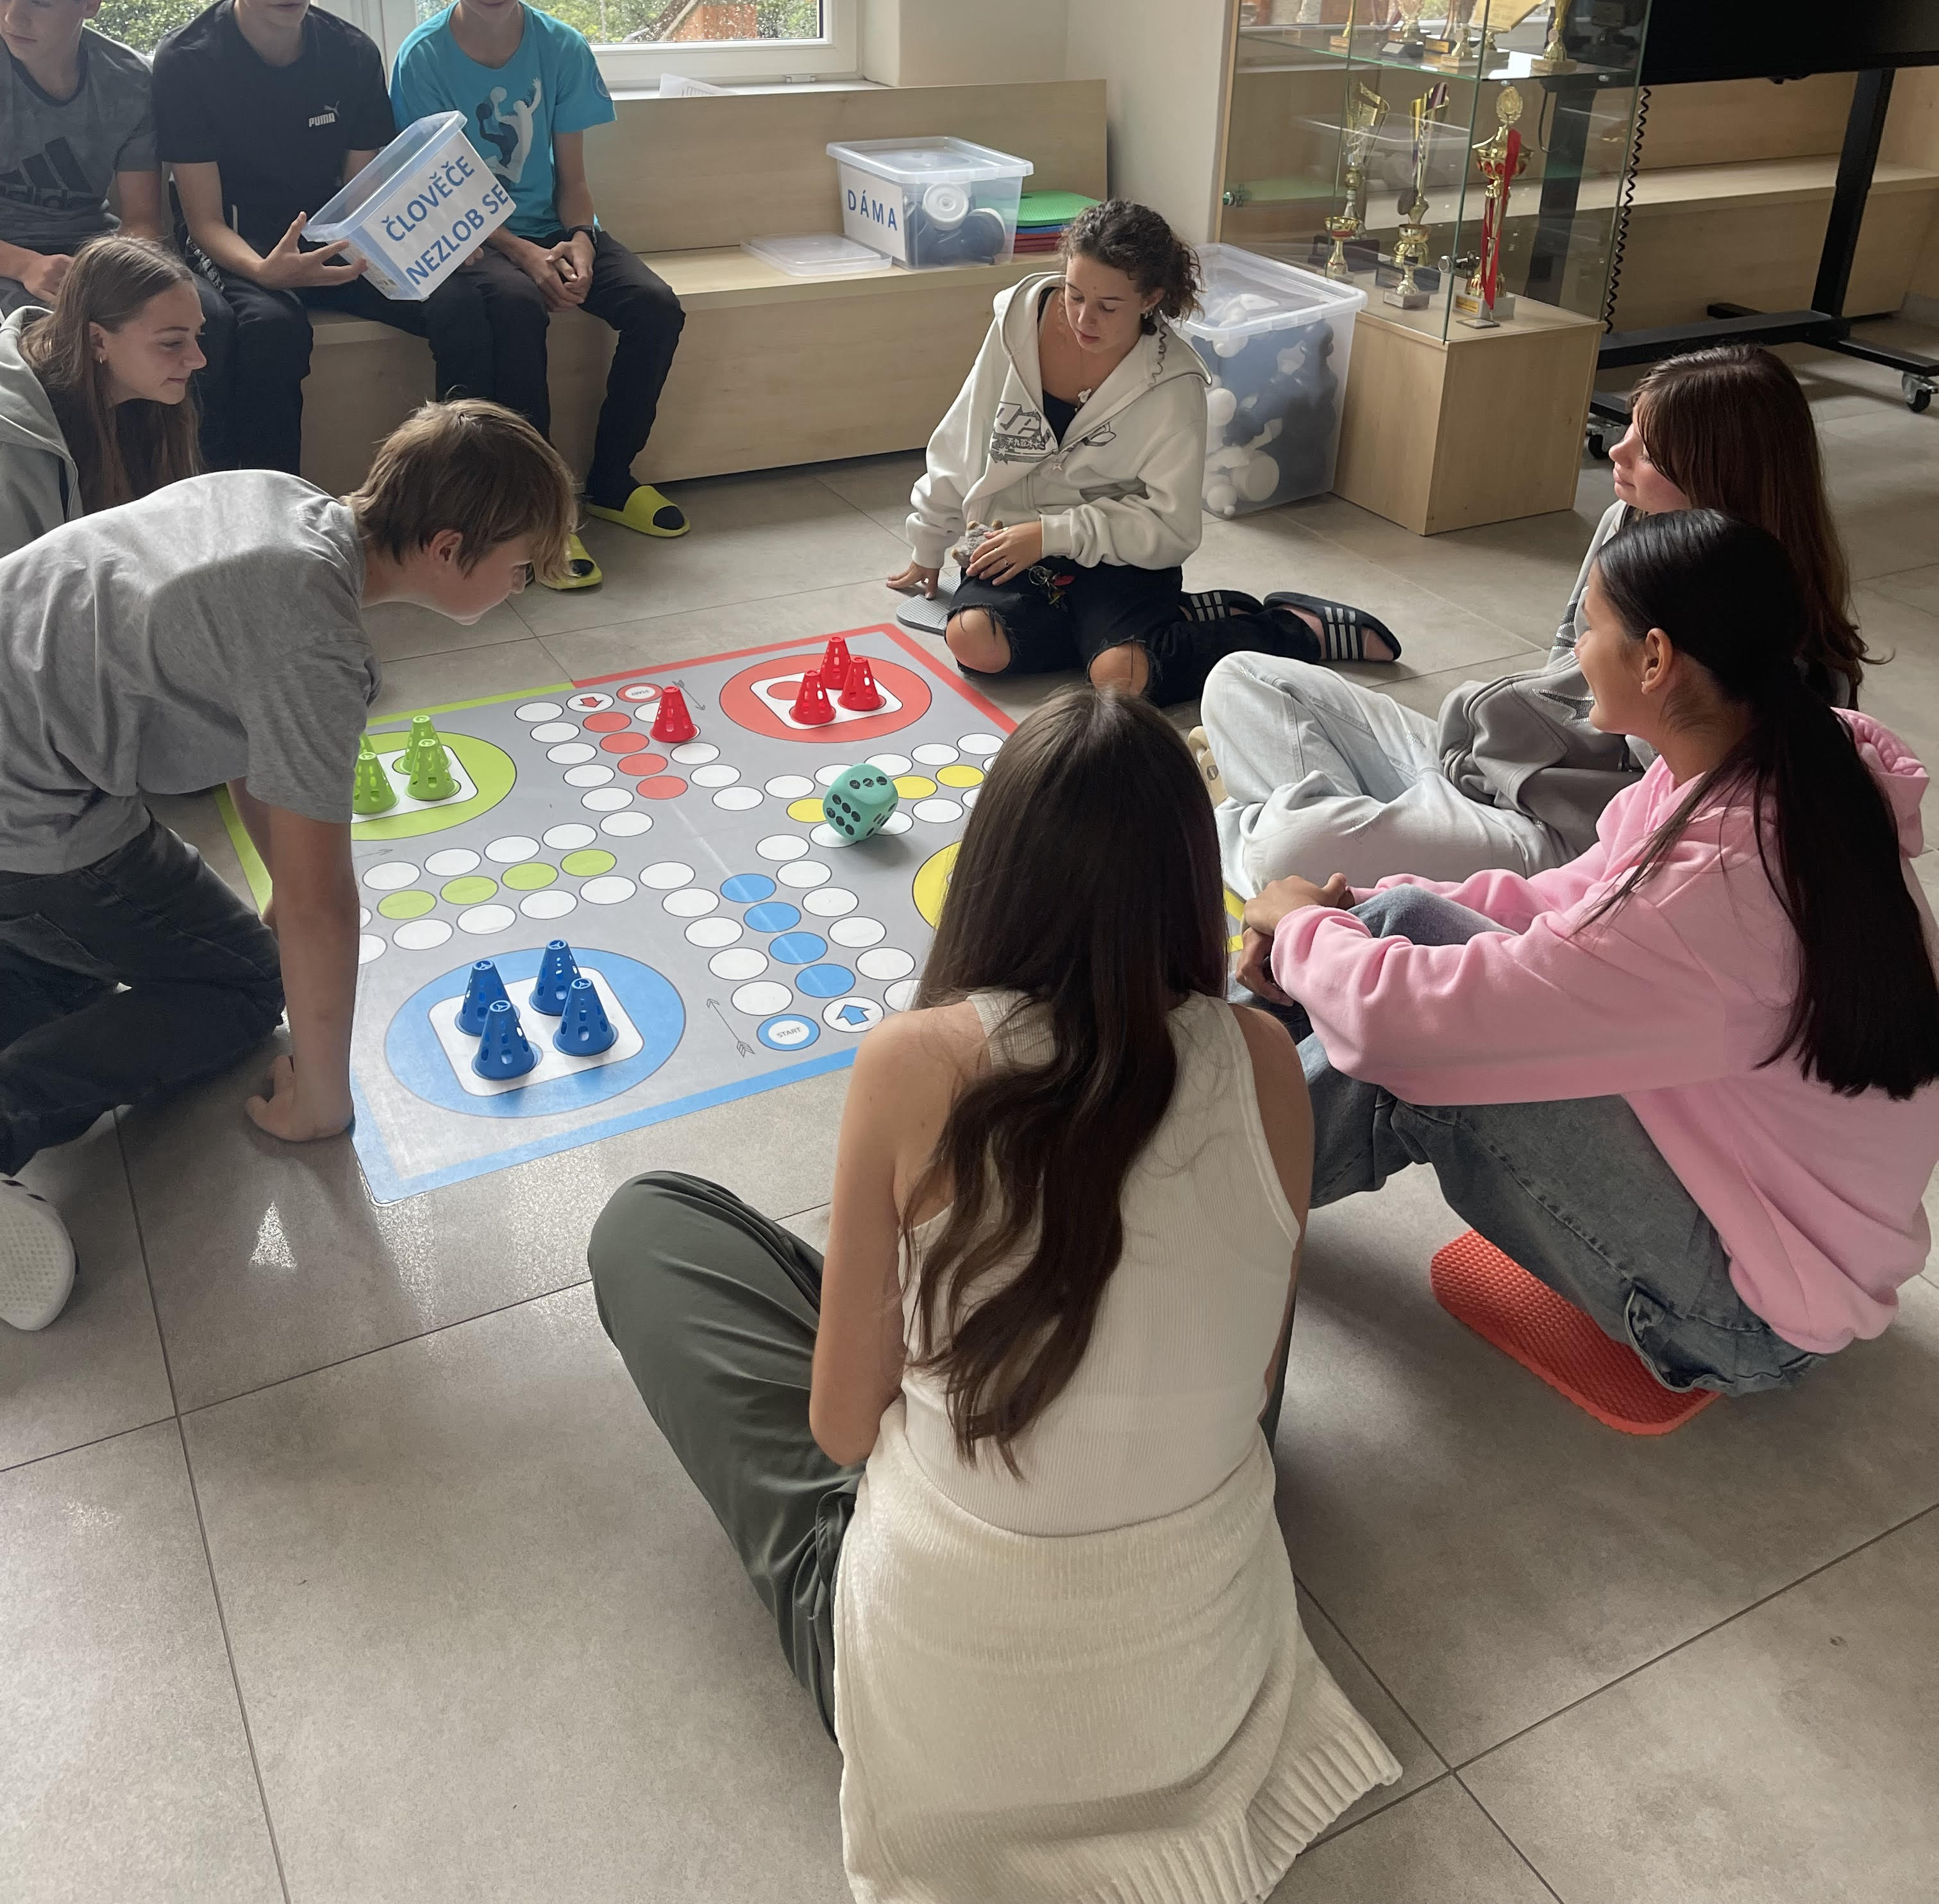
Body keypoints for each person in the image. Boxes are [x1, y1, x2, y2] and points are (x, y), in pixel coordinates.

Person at [588, 689, 1400, 1894]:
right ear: (1191, 882)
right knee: (1169, 1340)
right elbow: (1261, 1379)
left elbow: (841, 1431)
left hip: (954, 1726)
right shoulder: (1270, 1060)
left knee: (648, 1223)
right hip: (1198, 1694)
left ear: (991, 876)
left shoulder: (913, 1062)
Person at [1239, 511, 1939, 1399]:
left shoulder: (1718, 888)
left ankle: (1180, 1188)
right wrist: (1345, 912)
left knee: (1425, 1061)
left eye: (1590, 628)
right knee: (1407, 919)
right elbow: (1561, 904)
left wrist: (1305, 932)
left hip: (1745, 1314)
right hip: (1755, 1202)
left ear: (1655, 659)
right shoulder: (1763, 760)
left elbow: (1404, 1025)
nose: (1575, 648)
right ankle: (1179, 1091)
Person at [0, 397, 573, 1335]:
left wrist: (278, 884)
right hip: (27, 815)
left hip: (23, 738)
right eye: (520, 567)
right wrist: (321, 1099)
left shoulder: (282, 502)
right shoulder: (314, 646)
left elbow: (242, 733)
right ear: (446, 547)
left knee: (88, 957)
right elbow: (320, 908)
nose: (525, 585)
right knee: (239, 983)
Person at [1201, 343, 1868, 894]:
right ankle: (1343, 845)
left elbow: (1675, 810)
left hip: (1566, 833)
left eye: (1649, 451)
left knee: (1290, 848)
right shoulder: (1628, 519)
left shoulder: (1760, 633)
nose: (1617, 452)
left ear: (1716, 480)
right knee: (1241, 679)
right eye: (1629, 428)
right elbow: (1566, 657)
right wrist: (1501, 739)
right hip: (1499, 761)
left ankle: (1262, 838)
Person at [889, 199, 1400, 703]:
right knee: (973, 642)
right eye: (1073, 295)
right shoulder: (1014, 326)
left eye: (1108, 307)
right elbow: (964, 434)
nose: (1084, 319)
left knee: (1121, 681)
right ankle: (1158, 630)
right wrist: (930, 537)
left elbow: (1172, 527)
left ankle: (1298, 630)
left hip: (1122, 557)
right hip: (1012, 537)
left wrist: (1052, 535)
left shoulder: (1175, 384)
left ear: (1151, 298)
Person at [390, 0, 689, 592]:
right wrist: (526, 255)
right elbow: (443, 196)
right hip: (473, 237)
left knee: (657, 307)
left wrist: (580, 242)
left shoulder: (562, 47)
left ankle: (611, 480)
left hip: (555, 227)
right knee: (519, 310)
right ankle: (540, 514)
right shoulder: (422, 59)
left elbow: (573, 180)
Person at [153, 0, 507, 476]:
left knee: (461, 305)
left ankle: (456, 489)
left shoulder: (352, 54)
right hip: (244, 247)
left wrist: (432, 243)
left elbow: (365, 195)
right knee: (272, 330)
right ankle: (271, 508)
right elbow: (203, 221)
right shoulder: (186, 62)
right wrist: (264, 271)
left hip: (336, 239)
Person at [0, 0, 233, 464]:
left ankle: (185, 479)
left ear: (91, 3)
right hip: (9, 258)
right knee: (41, 343)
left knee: (210, 321)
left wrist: (101, 280)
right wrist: (26, 265)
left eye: (39, 1)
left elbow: (143, 222)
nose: (12, 18)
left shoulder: (127, 80)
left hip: (93, 250)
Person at [0, 233, 206, 556]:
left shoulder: (152, 398)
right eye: (172, 343)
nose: (199, 360)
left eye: (197, 335)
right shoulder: (12, 445)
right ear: (97, 340)